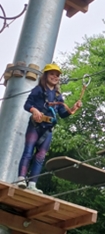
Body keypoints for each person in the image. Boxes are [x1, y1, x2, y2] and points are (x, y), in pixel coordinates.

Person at [17, 63, 81, 193]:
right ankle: (21, 179)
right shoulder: (38, 90)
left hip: (48, 129)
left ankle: (32, 184)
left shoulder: (58, 95)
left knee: (40, 156)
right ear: (46, 75)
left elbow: (62, 114)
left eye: (57, 75)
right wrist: (34, 110)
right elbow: (27, 104)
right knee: (28, 152)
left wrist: (73, 109)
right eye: (52, 74)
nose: (55, 77)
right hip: (36, 125)